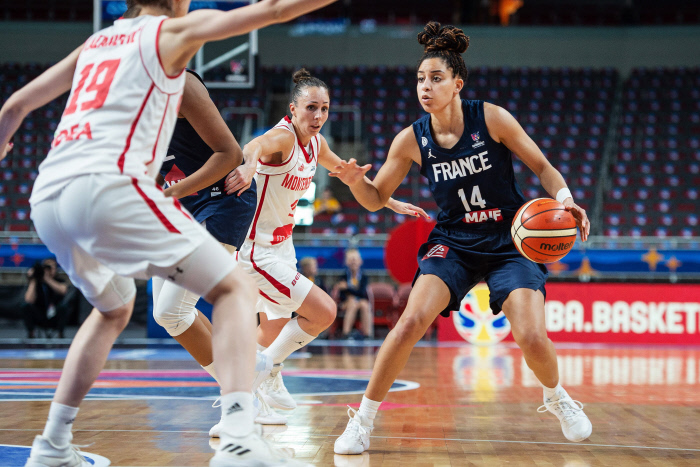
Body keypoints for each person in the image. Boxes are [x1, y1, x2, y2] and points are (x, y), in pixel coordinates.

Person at [0, 0, 338, 466]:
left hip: (50, 197)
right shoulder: (167, 35)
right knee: (233, 289)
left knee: (115, 310)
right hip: (111, 191)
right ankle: (241, 437)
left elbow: (15, 106)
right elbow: (276, 10)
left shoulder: (98, 42)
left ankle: (53, 445)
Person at [329, 22, 593, 455]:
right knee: (410, 322)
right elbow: (376, 198)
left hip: (509, 240)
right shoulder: (411, 140)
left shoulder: (491, 118)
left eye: (435, 78)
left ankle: (556, 396)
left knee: (530, 335)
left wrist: (565, 199)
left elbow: (543, 167)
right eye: (419, 79)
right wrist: (354, 181)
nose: (425, 87)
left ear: (457, 84)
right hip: (453, 240)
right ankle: (363, 421)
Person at [223, 68, 427, 415]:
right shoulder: (284, 138)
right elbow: (255, 145)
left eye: (325, 109)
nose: (318, 116)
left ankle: (248, 404)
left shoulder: (318, 143)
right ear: (293, 110)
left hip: (283, 248)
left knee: (271, 334)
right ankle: (264, 375)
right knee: (323, 312)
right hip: (256, 250)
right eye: (311, 108)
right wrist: (248, 164)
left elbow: (349, 176)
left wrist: (388, 201)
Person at [23, 258, 72, 339]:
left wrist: (47, 279)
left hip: (54, 315)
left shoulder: (59, 280)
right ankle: (31, 333)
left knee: (64, 307)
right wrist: (34, 279)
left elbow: (63, 291)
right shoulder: (36, 282)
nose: (49, 270)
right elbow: (28, 300)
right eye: (46, 267)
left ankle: (60, 334)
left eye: (52, 267)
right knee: (25, 306)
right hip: (40, 314)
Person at [333, 248, 371, 339]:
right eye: (351, 260)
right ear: (346, 262)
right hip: (346, 303)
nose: (353, 262)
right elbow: (342, 295)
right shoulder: (343, 276)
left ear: (360, 261)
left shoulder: (364, 277)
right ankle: (346, 334)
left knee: (365, 305)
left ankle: (367, 335)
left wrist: (348, 288)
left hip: (360, 302)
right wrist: (352, 293)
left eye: (355, 260)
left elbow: (362, 293)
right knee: (352, 303)